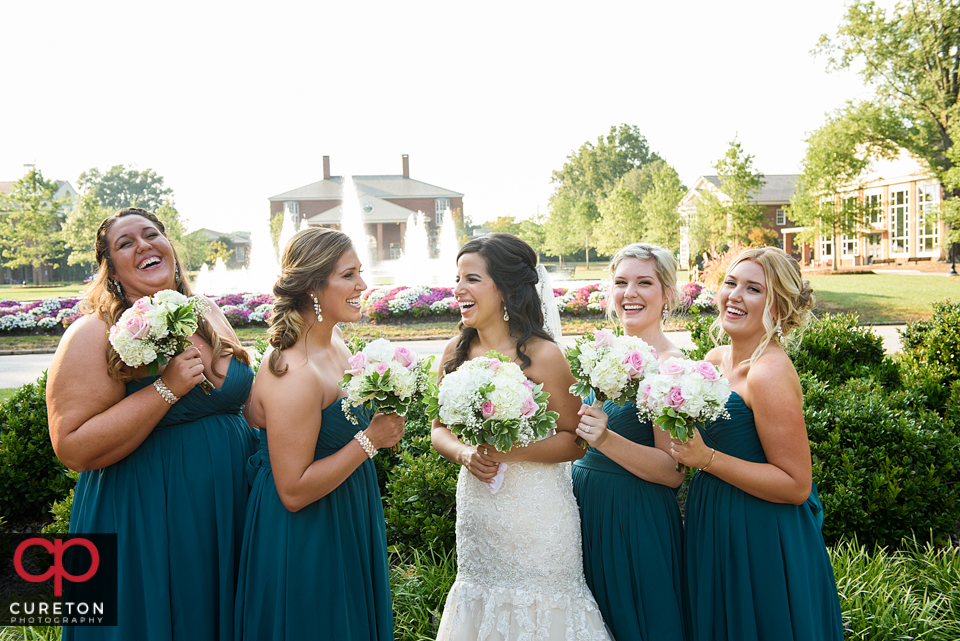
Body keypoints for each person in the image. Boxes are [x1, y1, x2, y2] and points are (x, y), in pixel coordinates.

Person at [47, 207, 256, 641]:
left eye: (151, 234)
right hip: (147, 515)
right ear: (112, 270)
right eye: (125, 243)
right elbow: (72, 447)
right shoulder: (94, 332)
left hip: (228, 508)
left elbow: (243, 405)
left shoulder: (208, 311)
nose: (143, 245)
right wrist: (165, 389)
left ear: (170, 248)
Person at [431, 233, 611, 641]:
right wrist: (464, 453)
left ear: (507, 289)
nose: (458, 289)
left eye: (472, 279)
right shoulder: (454, 353)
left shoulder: (543, 355)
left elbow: (574, 440)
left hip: (537, 521)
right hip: (480, 519)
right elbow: (437, 431)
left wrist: (507, 450)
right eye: (457, 279)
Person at [234, 228, 404, 641]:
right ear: (313, 285)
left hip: (345, 507)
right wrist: (371, 440)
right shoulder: (295, 371)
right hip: (309, 531)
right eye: (349, 275)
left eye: (359, 272)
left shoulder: (337, 343)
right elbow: (292, 490)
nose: (362, 285)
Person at [670, 247, 843, 640]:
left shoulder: (768, 373)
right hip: (714, 522)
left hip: (761, 534)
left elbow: (797, 484)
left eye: (752, 289)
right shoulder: (713, 361)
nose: (734, 295)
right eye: (731, 283)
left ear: (778, 308)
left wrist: (707, 459)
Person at [572, 243, 688, 641]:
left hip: (633, 517)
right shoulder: (600, 353)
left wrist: (604, 438)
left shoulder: (672, 365)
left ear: (667, 295)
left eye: (644, 282)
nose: (630, 293)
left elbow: (673, 471)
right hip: (584, 509)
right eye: (621, 282)